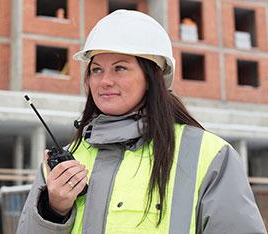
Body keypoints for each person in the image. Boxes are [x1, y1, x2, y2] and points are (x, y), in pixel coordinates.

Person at [17, 10, 267, 234]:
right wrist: (53, 212)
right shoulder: (64, 163)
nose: (104, 81)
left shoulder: (209, 156)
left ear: (151, 77)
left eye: (120, 68)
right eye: (96, 70)